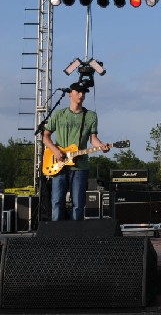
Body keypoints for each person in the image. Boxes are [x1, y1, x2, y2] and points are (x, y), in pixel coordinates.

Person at [42, 82, 110, 220]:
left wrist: (102, 146)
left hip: (80, 165)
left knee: (78, 203)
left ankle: (75, 236)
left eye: (83, 92)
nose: (81, 95)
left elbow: (93, 139)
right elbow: (45, 137)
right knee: (56, 201)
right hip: (59, 164)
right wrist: (55, 150)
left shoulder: (90, 116)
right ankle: (56, 234)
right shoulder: (58, 114)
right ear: (70, 94)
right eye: (78, 91)